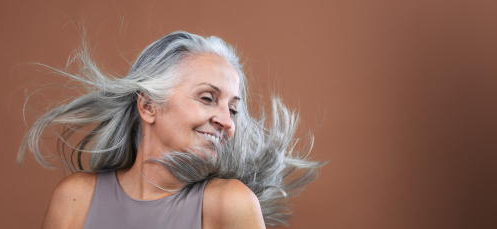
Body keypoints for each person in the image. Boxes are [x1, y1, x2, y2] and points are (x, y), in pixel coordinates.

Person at [18, 31, 323, 229]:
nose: (227, 122)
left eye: (232, 109)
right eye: (207, 98)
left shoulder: (230, 203)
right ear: (148, 106)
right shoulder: (75, 198)